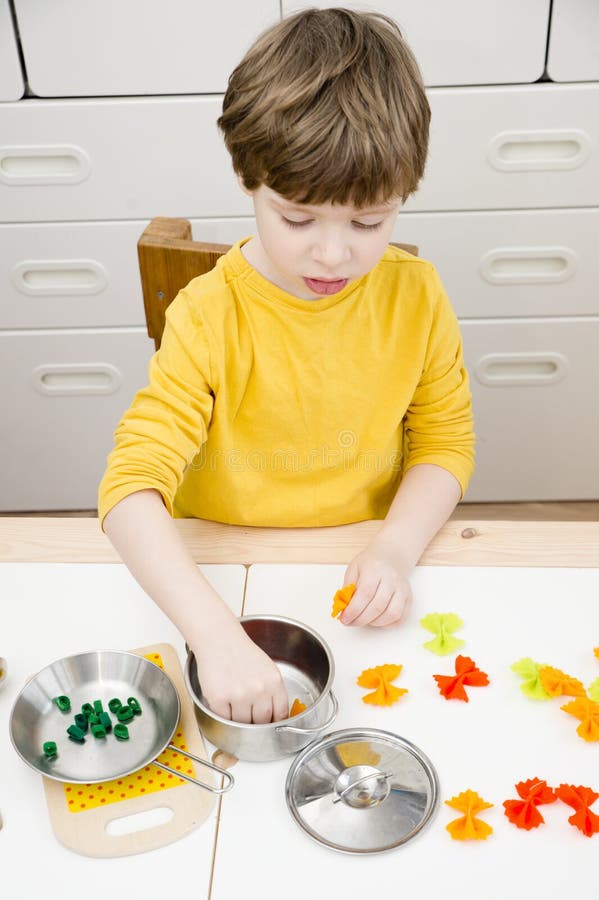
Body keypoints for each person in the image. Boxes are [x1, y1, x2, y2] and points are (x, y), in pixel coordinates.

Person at [99, 7, 475, 726]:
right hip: (220, 573)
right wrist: (211, 633)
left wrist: (395, 548)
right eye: (297, 218)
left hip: (359, 566)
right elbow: (127, 489)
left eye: (369, 222)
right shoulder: (208, 315)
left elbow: (444, 442)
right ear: (247, 180)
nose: (333, 256)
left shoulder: (417, 297)